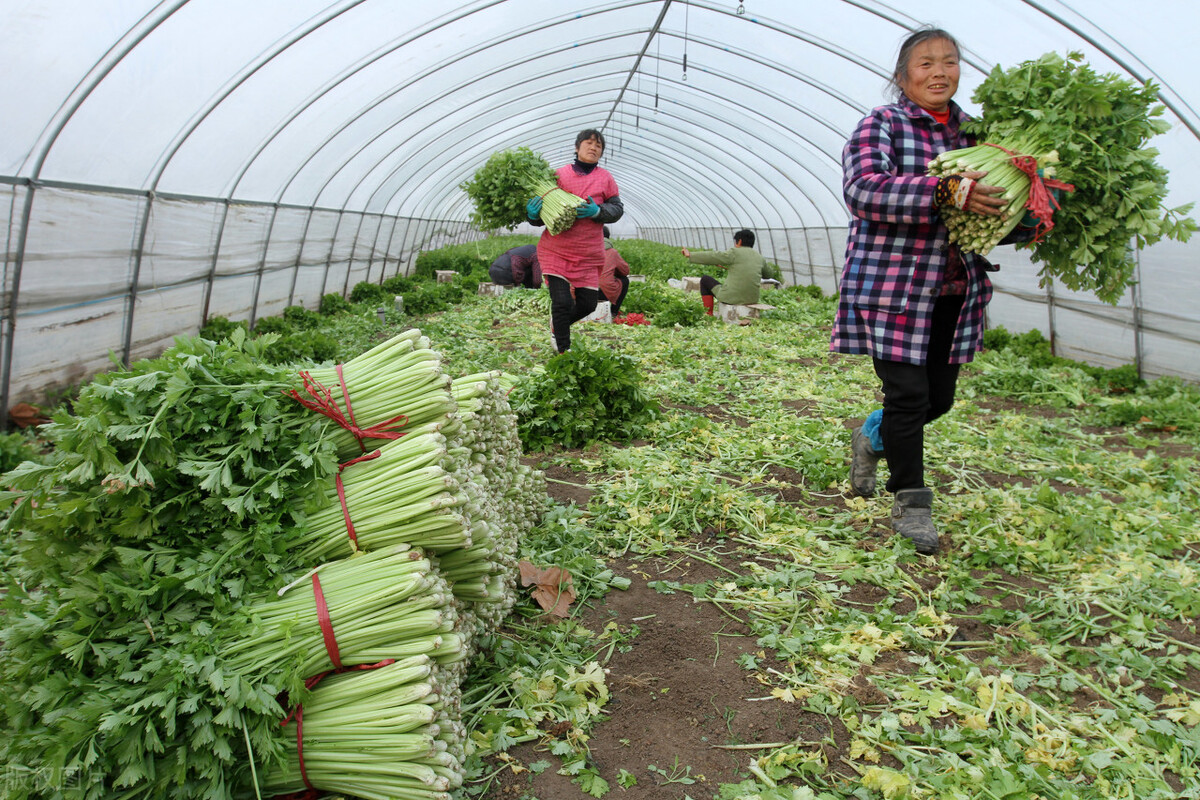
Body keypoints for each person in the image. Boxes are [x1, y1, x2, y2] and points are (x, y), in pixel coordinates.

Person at [830, 26, 1017, 555]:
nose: (940, 72)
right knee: (908, 396)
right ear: (902, 76)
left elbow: (997, 209)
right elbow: (863, 190)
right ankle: (911, 502)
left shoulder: (980, 138)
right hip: (894, 285)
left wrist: (1028, 214)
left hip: (954, 289)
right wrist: (949, 189)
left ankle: (871, 436)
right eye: (926, 63)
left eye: (950, 62)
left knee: (939, 398)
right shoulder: (881, 125)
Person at [525, 129, 624, 353]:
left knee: (588, 304)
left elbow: (617, 210)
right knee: (561, 302)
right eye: (588, 143)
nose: (594, 148)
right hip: (556, 250)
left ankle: (557, 326)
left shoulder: (605, 178)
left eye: (598, 145)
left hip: (589, 253)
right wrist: (532, 216)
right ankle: (563, 351)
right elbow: (543, 217)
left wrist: (597, 211)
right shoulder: (558, 176)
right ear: (577, 147)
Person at [680, 229, 771, 316]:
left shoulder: (735, 252)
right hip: (752, 299)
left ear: (739, 241)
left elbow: (713, 256)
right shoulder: (759, 257)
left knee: (705, 280)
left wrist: (690, 255)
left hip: (731, 298)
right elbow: (768, 275)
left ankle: (708, 314)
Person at [600, 226, 631, 318]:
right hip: (602, 292)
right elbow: (625, 271)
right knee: (624, 280)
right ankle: (613, 312)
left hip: (580, 292)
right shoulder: (612, 252)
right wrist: (613, 272)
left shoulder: (584, 249)